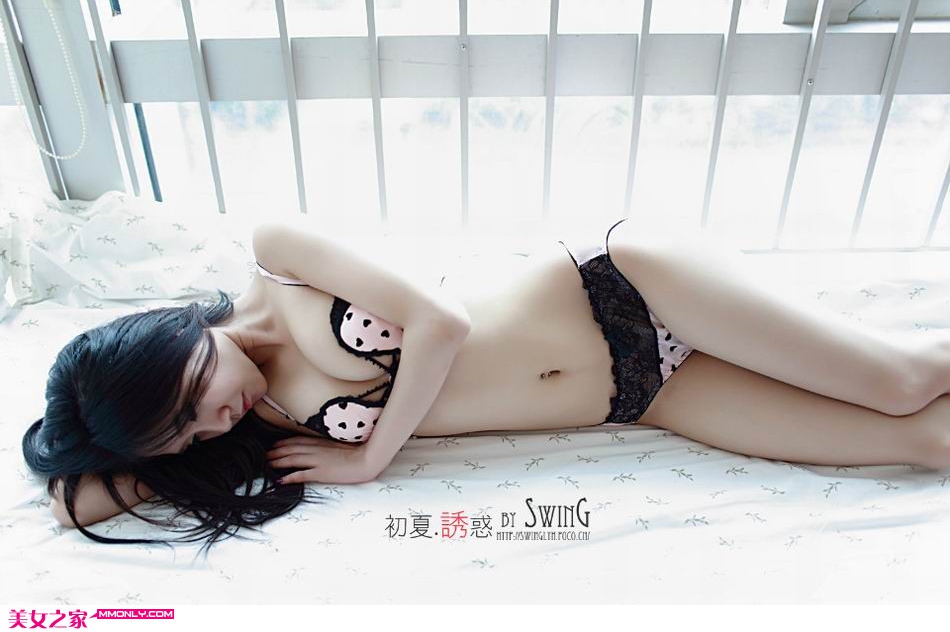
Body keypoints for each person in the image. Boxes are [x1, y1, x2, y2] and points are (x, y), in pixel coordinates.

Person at [22, 217, 950, 557]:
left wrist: (370, 459)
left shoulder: (278, 260)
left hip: (628, 286)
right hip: (646, 396)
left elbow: (441, 322)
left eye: (188, 405)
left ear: (167, 344)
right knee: (922, 441)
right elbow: (77, 503)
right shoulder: (258, 419)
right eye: (187, 438)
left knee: (904, 382)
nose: (209, 425)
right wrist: (104, 437)